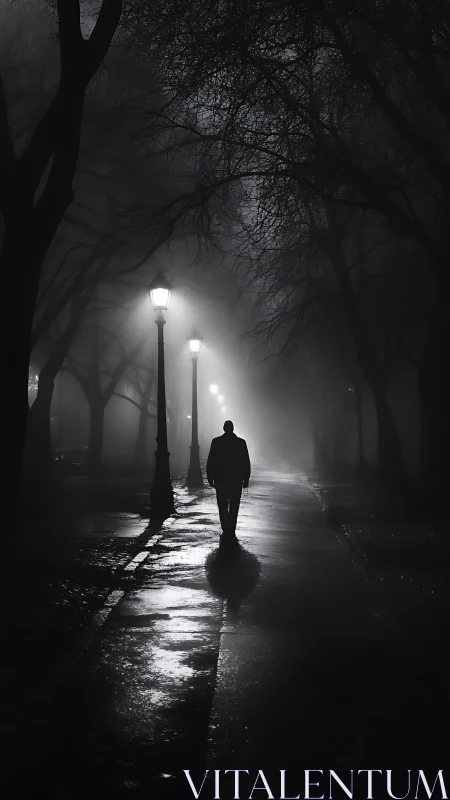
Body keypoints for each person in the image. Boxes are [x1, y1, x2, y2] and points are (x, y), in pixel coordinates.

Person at [207, 420, 251, 539]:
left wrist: (210, 477)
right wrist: (246, 479)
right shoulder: (241, 443)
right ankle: (231, 527)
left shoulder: (216, 442)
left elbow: (211, 460)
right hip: (236, 479)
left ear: (224, 428)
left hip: (221, 479)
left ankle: (225, 527)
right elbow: (246, 462)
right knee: (234, 504)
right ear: (233, 429)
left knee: (222, 504)